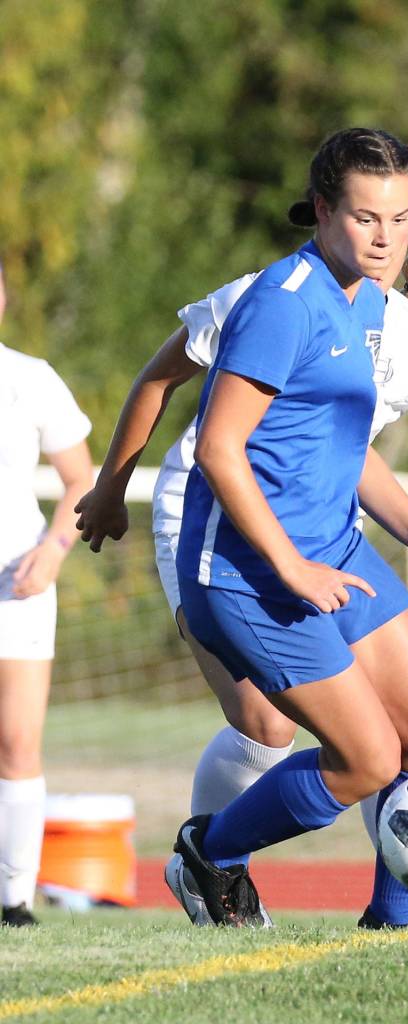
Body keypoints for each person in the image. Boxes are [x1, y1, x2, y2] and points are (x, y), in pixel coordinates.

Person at [77, 128, 408, 928]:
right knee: (364, 758)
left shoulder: (371, 310)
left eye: (399, 220)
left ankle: (398, 921)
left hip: (330, 545)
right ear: (323, 210)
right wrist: (289, 567)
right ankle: (209, 855)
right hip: (247, 569)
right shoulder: (279, 304)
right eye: (366, 218)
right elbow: (220, 450)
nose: (385, 237)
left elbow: (352, 455)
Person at [0, 263, 93, 926]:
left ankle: (15, 902)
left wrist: (54, 552)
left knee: (16, 738)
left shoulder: (30, 378)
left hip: (18, 582)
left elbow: (80, 480)